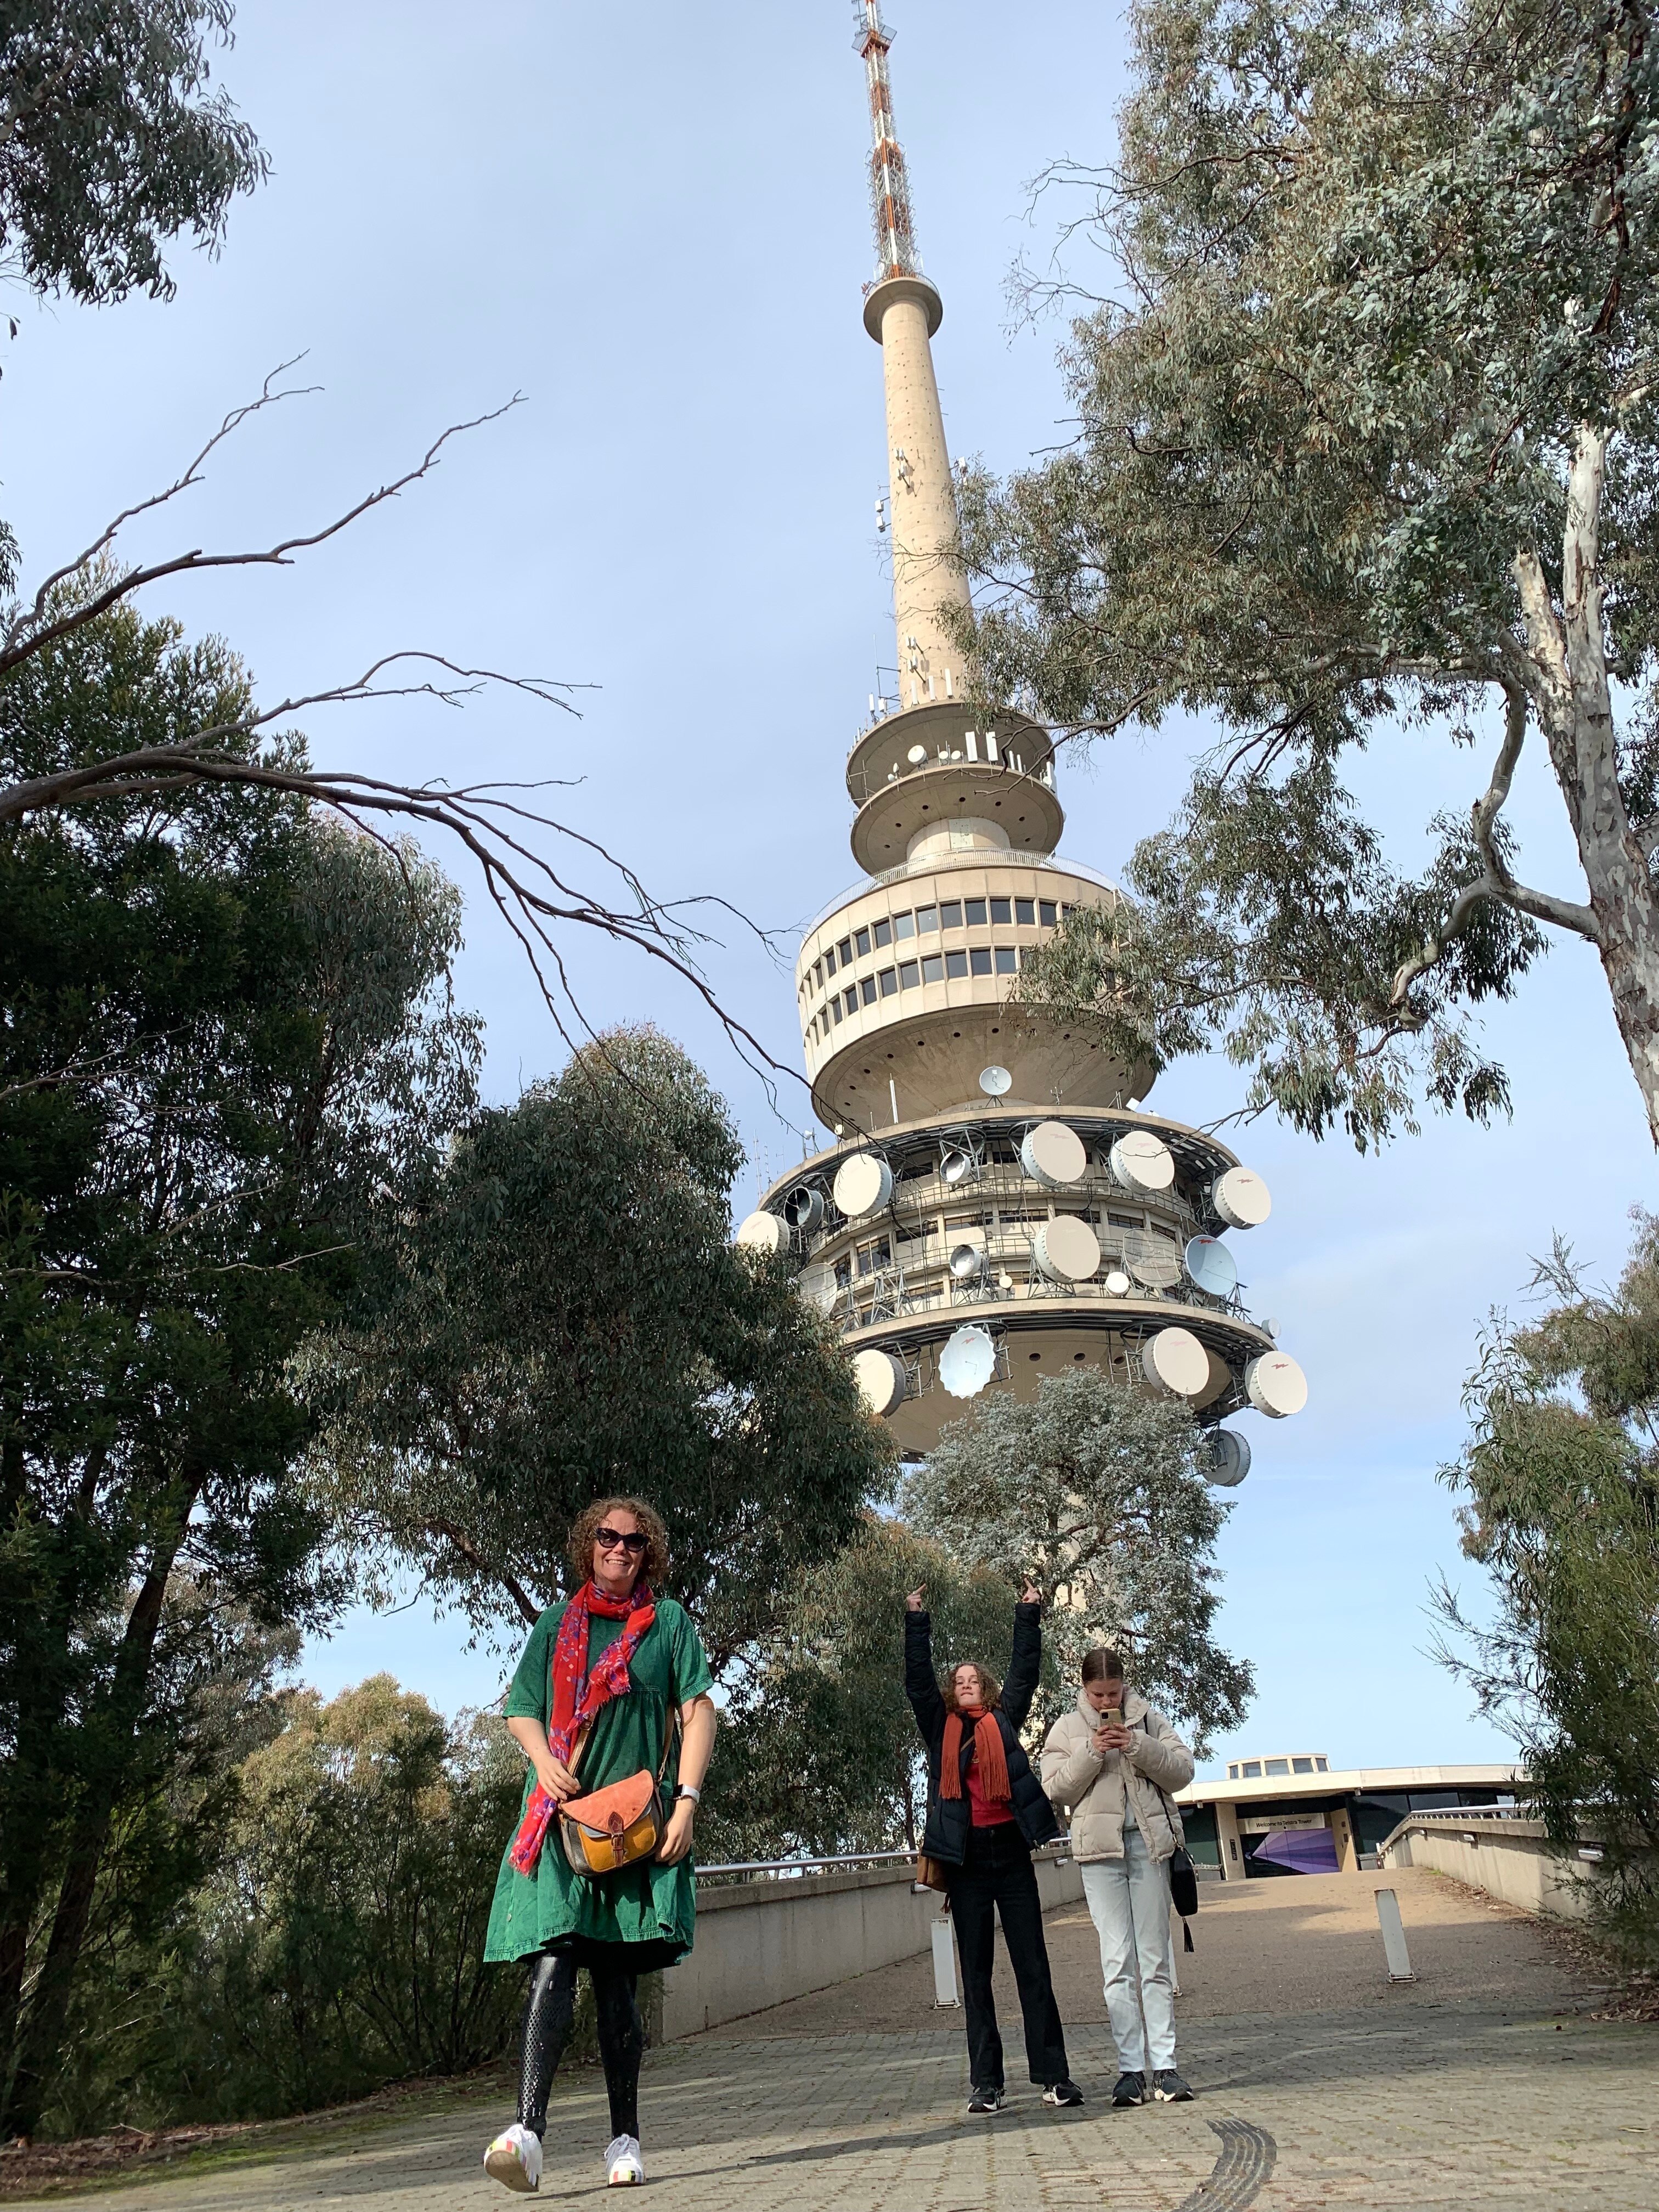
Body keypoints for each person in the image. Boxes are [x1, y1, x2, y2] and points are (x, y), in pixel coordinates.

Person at [481, 1497, 716, 2192]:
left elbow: (697, 1710)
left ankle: (625, 2141)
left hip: (637, 1826)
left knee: (618, 1982)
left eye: (634, 1542)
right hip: (557, 1825)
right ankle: (527, 2135)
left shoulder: (668, 1625)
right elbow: (522, 1706)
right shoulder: (557, 1624)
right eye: (608, 1537)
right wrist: (541, 1760)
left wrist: (688, 1803)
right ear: (589, 1544)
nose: (620, 1549)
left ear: (649, 1553)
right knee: (553, 1964)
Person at [905, 1581, 1083, 2115]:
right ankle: (987, 2085)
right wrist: (916, 1619)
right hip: (965, 1864)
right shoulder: (939, 1728)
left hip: (1010, 1852)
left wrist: (1028, 1611)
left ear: (984, 1688)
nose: (965, 1684)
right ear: (951, 1691)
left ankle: (1054, 2077)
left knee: (1034, 1967)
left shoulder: (1005, 1720)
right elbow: (916, 1683)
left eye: (972, 1679)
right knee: (976, 1976)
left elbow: (1025, 1670)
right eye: (956, 1680)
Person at [1040, 1646, 1195, 2108]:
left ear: (1125, 1685)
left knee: (1155, 1956)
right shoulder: (1066, 1728)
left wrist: (1138, 1745)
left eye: (1113, 1691)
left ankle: (1165, 2067)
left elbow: (1183, 1771)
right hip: (1099, 1853)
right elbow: (1056, 1788)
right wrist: (1092, 1751)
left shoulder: (1148, 1719)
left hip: (1149, 1849)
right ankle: (1130, 2069)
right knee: (1117, 1961)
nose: (1106, 1701)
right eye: (1097, 1693)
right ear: (1084, 1689)